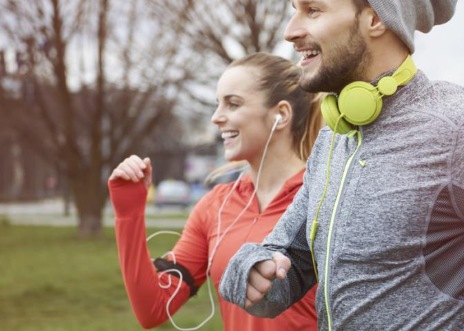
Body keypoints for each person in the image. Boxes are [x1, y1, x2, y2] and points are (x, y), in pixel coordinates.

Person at [219, 1, 464, 330]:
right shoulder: (335, 137)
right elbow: (290, 262)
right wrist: (254, 269)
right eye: (293, 11)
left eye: (313, 10)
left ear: (375, 18)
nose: (290, 31)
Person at [108, 52, 323, 330]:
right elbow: (154, 308)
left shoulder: (325, 197)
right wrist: (128, 214)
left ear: (280, 115)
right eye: (217, 104)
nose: (216, 118)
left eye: (232, 104)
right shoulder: (215, 207)